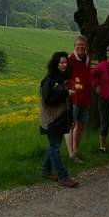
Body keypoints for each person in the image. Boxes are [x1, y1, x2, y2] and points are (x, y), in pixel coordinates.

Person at [39, 51, 79, 188]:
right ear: (55, 64)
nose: (64, 65)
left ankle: (45, 171)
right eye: (61, 62)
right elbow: (48, 99)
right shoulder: (49, 80)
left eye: (65, 62)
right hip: (51, 119)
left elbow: (68, 101)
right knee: (55, 148)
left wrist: (71, 118)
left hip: (62, 118)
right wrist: (65, 92)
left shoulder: (64, 79)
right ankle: (63, 177)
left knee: (54, 147)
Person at [65, 35, 92, 163]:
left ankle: (76, 149)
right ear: (75, 46)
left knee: (81, 125)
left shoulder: (87, 58)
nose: (81, 47)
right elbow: (65, 76)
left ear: (86, 46)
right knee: (71, 125)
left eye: (83, 45)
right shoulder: (70, 59)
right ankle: (71, 154)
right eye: (78, 45)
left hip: (85, 97)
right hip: (74, 98)